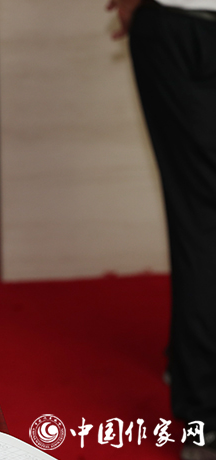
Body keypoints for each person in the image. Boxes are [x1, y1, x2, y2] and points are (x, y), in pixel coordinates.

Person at [108, 1, 216, 458]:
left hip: (170, 20)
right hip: (174, 22)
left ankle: (202, 412)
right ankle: (202, 411)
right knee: (199, 213)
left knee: (196, 214)